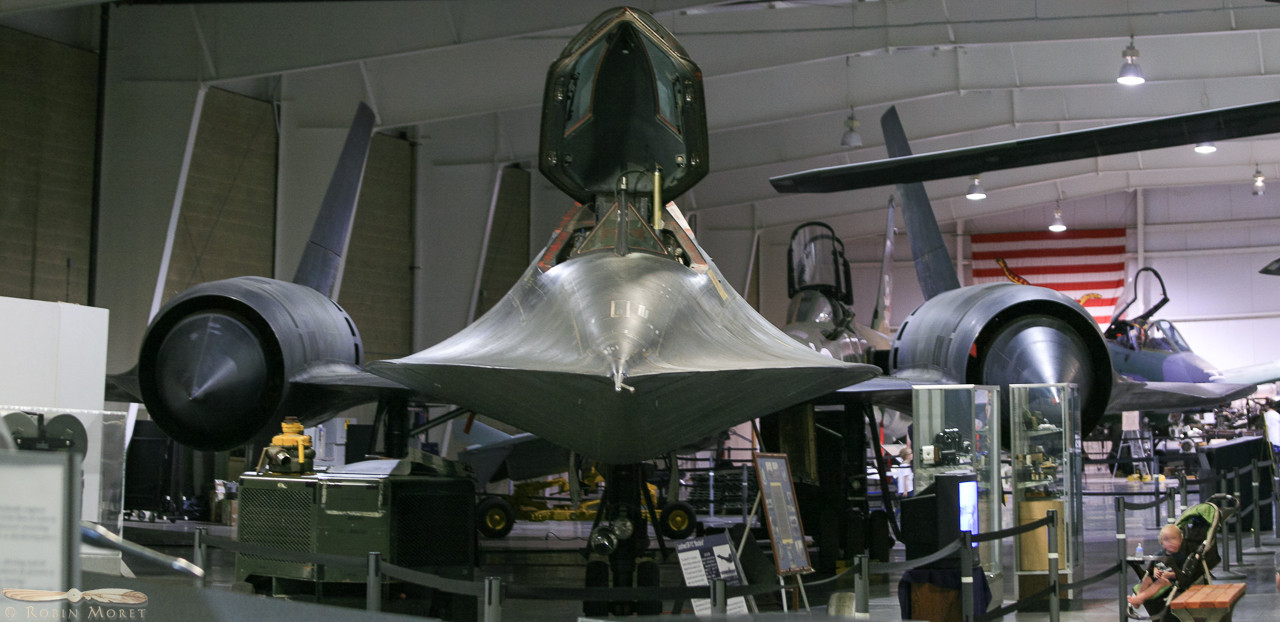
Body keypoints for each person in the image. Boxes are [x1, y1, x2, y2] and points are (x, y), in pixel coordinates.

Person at [1128, 524, 1187, 610]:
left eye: (1174, 538)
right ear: (1162, 542)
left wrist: (1170, 575)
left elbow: (1182, 574)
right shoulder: (1160, 555)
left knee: (1160, 582)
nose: (1170, 542)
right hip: (1157, 578)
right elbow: (1155, 566)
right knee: (1147, 579)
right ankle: (1139, 598)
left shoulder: (1181, 557)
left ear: (1180, 540)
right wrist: (1155, 571)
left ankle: (1139, 599)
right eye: (1166, 539)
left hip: (1170, 581)